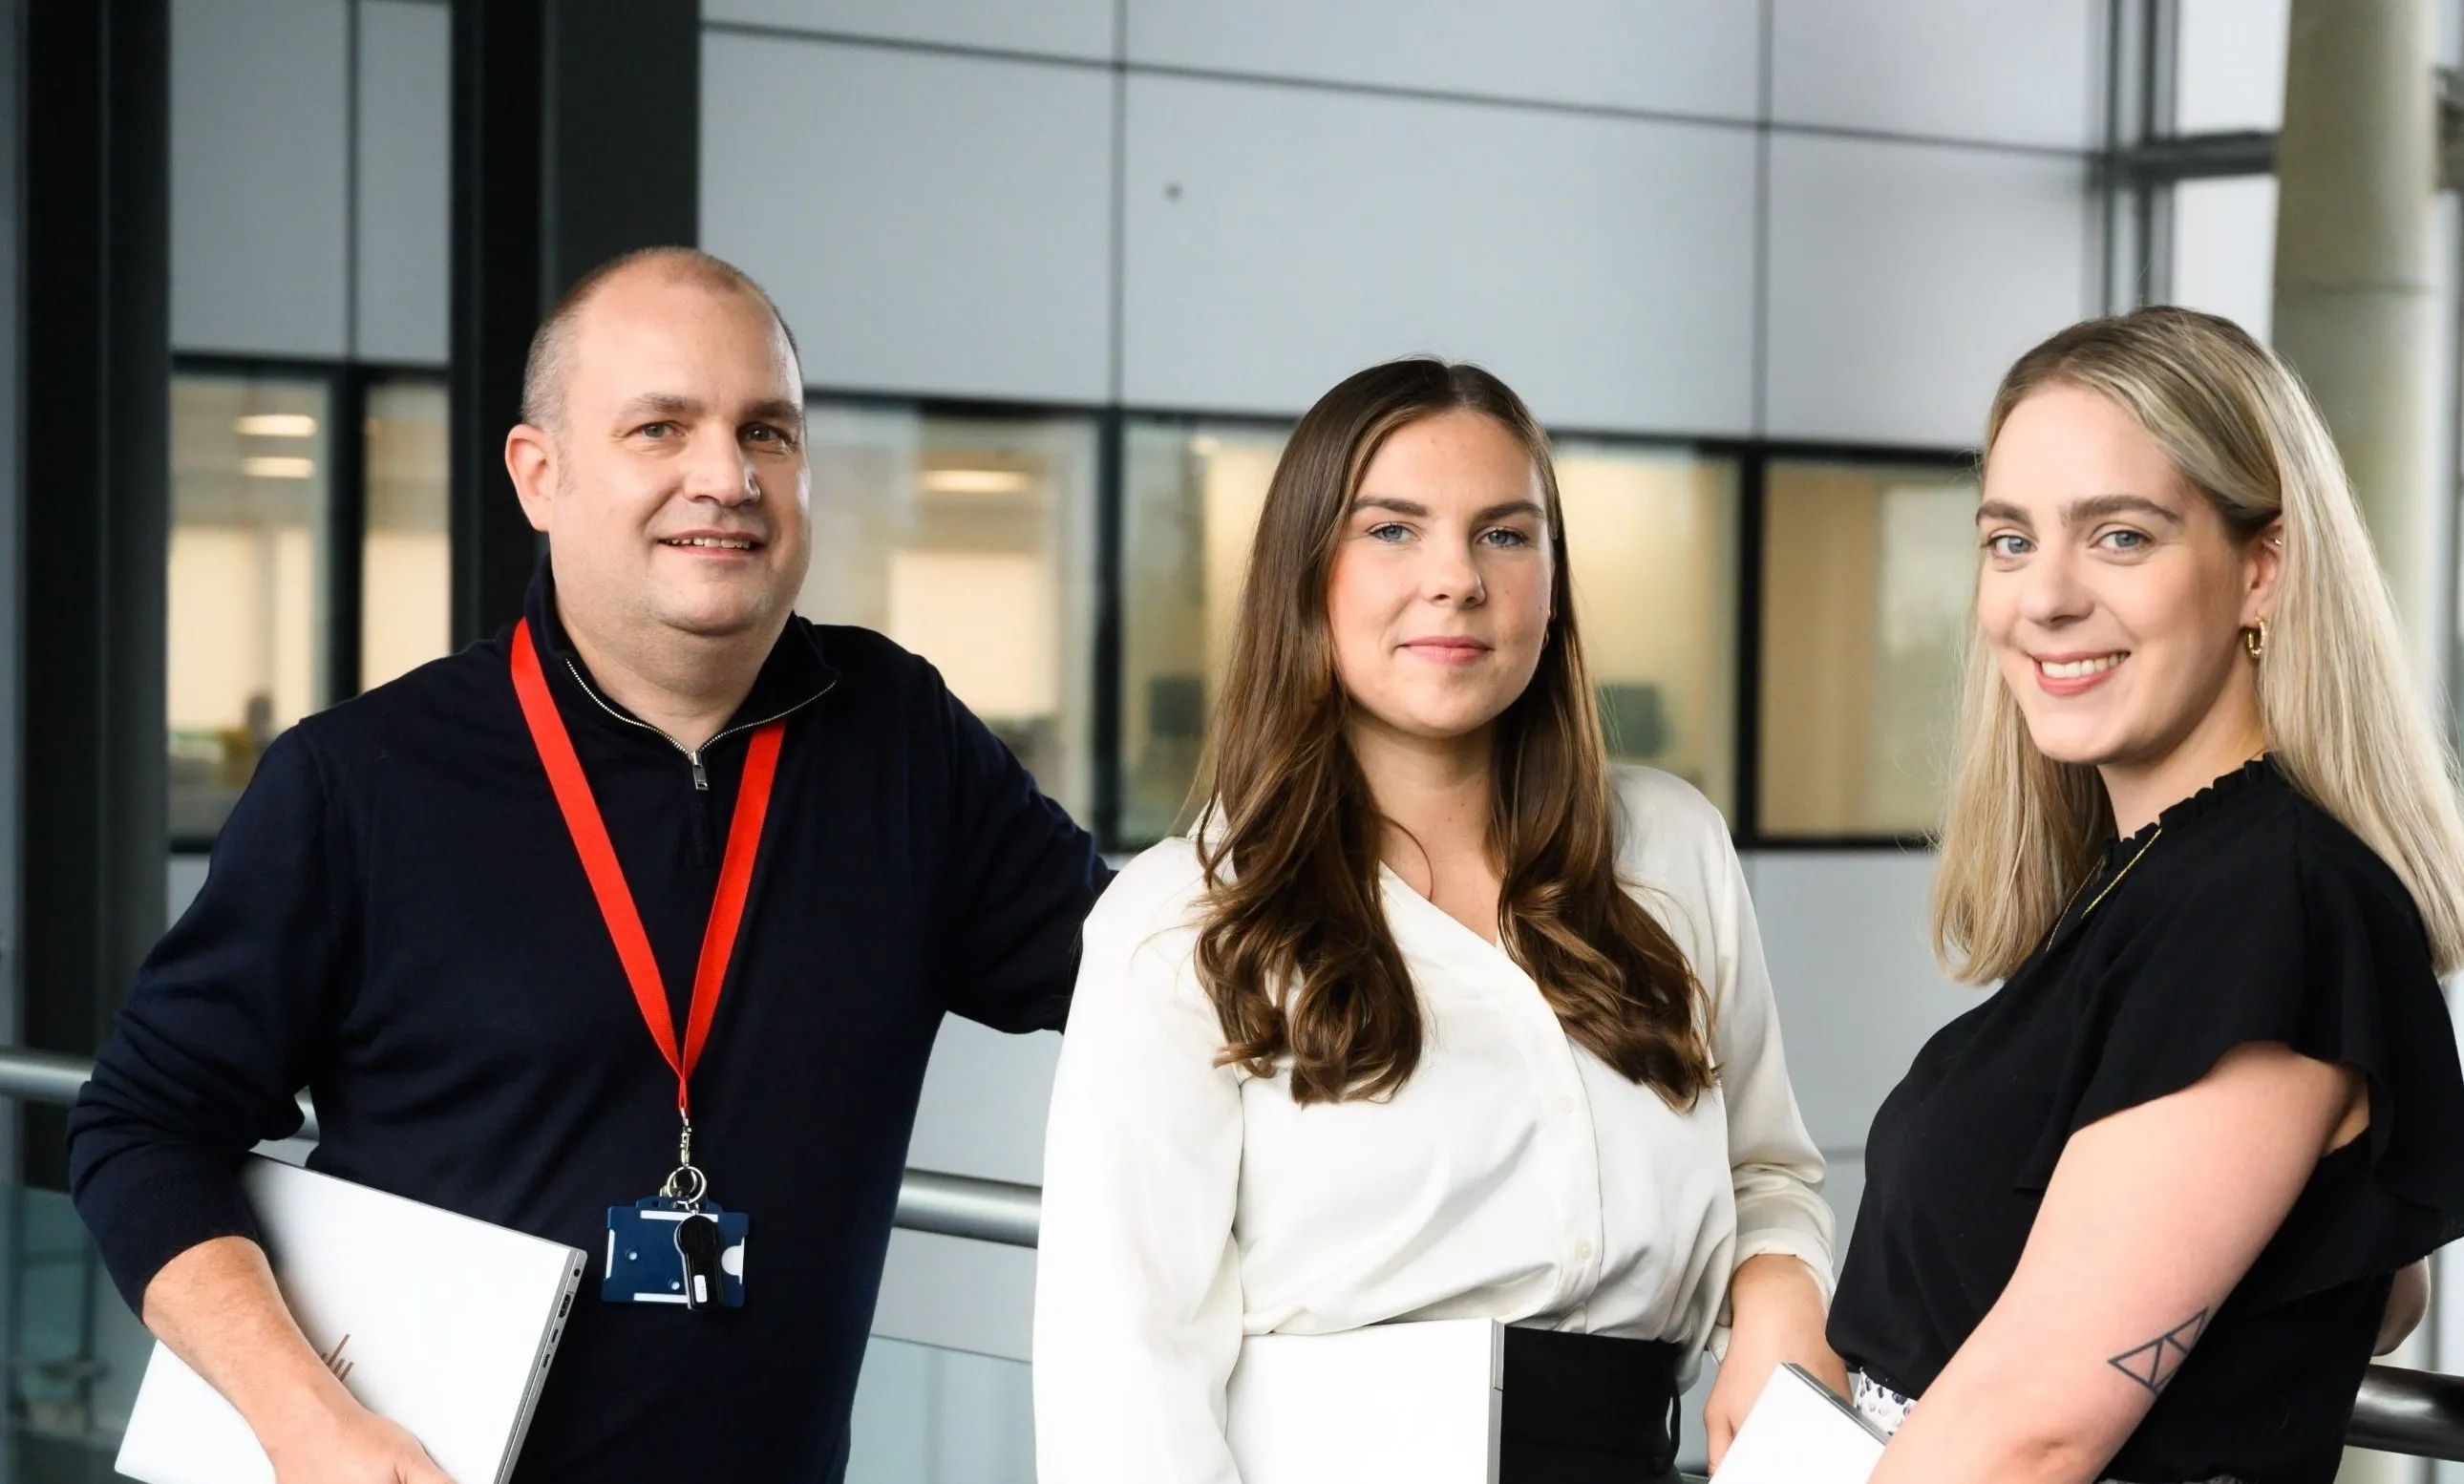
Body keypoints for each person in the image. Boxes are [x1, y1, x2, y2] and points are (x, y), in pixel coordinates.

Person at [67, 247, 1109, 1480]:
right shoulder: (358, 782)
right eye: (660, 427)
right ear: (540, 473)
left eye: (766, 431)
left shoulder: (903, 740)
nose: (724, 477)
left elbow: (1169, 974)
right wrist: (308, 1422)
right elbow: (141, 1130)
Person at [1033, 358, 1839, 1483]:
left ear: (1554, 580)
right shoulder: (1183, 921)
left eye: (1506, 535)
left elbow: (1766, 1176)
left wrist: (1781, 1294)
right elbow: (1124, 1376)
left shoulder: (1668, 850)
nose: (1457, 580)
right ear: (1306, 572)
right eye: (1393, 531)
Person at [1827, 307, 2464, 1484]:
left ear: (2259, 570)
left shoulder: (2269, 900)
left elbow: (2032, 1439)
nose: (2046, 597)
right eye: (2009, 540)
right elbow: (2367, 1285)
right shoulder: (2152, 879)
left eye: (2119, 537)